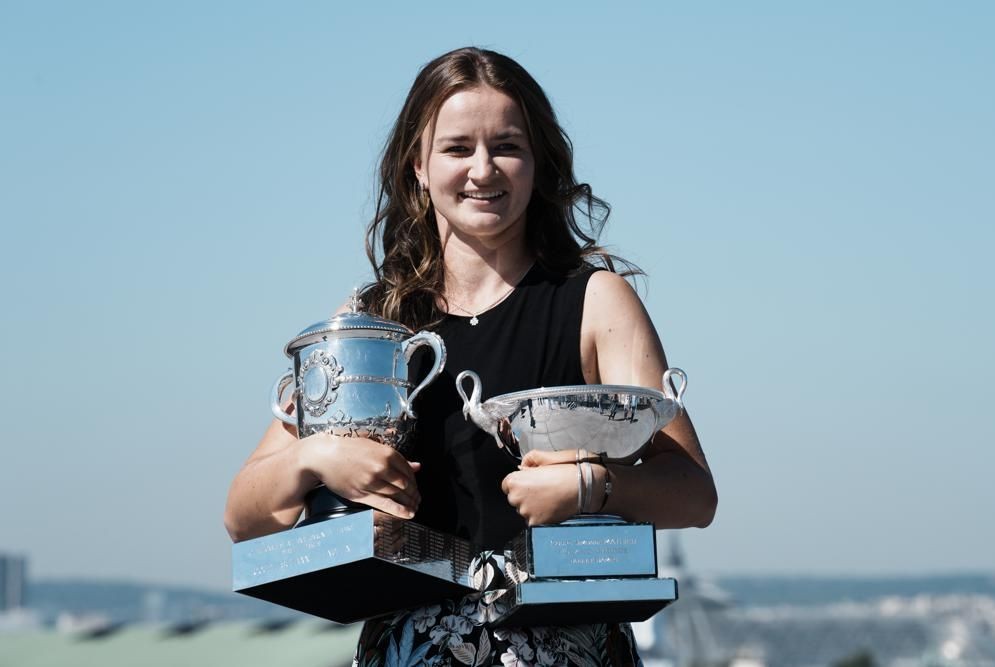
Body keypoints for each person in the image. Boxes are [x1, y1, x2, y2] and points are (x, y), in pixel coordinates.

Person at [225, 46, 717, 666]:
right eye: (458, 148)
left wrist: (590, 488)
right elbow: (243, 517)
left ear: (539, 164)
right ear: (418, 167)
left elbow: (695, 495)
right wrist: (318, 455)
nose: (483, 169)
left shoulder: (596, 301)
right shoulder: (372, 321)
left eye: (507, 146)